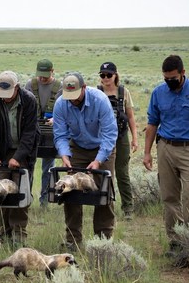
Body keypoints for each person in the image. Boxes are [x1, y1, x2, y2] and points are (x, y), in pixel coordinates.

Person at [143, 55, 189, 256]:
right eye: (166, 79)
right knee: (169, 197)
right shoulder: (158, 93)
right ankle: (176, 242)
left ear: (183, 73)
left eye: (173, 78)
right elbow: (152, 123)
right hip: (166, 148)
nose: (169, 82)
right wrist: (147, 153)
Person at [53, 72, 118, 250]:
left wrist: (98, 161)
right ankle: (72, 240)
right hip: (78, 147)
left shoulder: (100, 100)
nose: (72, 100)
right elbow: (60, 134)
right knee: (70, 191)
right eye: (69, 97)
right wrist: (65, 156)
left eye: (75, 96)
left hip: (102, 147)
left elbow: (109, 134)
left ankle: (103, 240)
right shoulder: (61, 104)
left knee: (103, 192)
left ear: (84, 87)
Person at [0, 71, 40, 246]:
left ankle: (19, 233)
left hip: (24, 152)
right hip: (0, 151)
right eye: (2, 94)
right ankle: (5, 231)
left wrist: (19, 157)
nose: (5, 98)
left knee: (21, 193)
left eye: (9, 94)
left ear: (17, 88)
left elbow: (30, 133)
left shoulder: (29, 101)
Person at [98, 62, 138, 220]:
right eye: (103, 75)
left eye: (109, 75)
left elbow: (130, 117)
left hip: (121, 138)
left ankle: (128, 208)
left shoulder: (123, 92)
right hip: (101, 139)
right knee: (105, 173)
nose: (106, 78)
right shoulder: (97, 92)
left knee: (122, 173)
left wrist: (135, 138)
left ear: (115, 75)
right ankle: (104, 205)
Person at [25, 59, 62, 208]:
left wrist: (56, 118)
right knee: (29, 167)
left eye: (45, 75)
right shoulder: (30, 85)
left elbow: (63, 110)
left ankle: (44, 202)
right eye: (40, 75)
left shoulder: (59, 88)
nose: (42, 78)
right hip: (32, 133)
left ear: (53, 71)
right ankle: (26, 199)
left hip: (50, 133)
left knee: (48, 169)